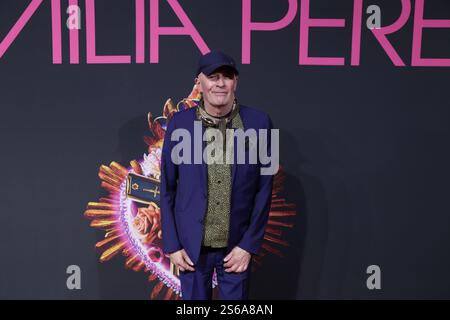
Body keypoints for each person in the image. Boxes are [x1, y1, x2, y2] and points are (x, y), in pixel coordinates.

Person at [160, 50, 275, 300]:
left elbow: (265, 188)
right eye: (213, 77)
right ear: (198, 82)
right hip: (192, 249)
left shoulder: (262, 123)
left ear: (236, 82)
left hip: (236, 247)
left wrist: (248, 245)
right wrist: (172, 245)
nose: (220, 83)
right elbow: (167, 188)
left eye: (227, 76)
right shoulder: (178, 124)